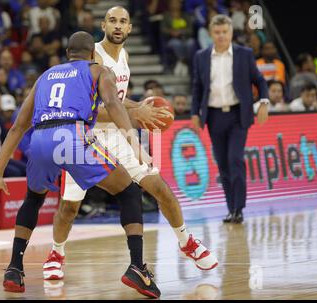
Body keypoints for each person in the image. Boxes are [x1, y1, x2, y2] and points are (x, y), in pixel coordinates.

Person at [43, 6, 218, 283]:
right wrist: (135, 114)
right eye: (112, 20)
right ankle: (56, 253)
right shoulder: (93, 57)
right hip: (86, 139)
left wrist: (140, 106)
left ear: (129, 29)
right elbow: (88, 108)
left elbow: (117, 100)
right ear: (103, 25)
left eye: (123, 21)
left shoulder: (123, 56)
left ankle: (187, 242)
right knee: (69, 208)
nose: (117, 25)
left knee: (160, 188)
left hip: (117, 136)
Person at [0, 31, 161, 298]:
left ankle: (14, 268)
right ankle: (137, 268)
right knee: (129, 191)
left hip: (40, 139)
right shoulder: (98, 70)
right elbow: (112, 104)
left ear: (67, 54)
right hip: (70, 137)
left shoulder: (45, 75)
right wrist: (135, 144)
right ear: (92, 54)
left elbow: (18, 126)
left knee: (33, 198)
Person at [191, 15, 269, 224]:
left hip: (237, 115)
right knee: (223, 164)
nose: (221, 36)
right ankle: (231, 208)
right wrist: (194, 113)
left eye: (225, 32)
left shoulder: (245, 54)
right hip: (214, 116)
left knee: (235, 159)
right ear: (211, 33)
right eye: (217, 32)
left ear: (231, 33)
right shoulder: (201, 56)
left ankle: (239, 208)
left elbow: (260, 81)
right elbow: (197, 87)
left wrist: (264, 102)